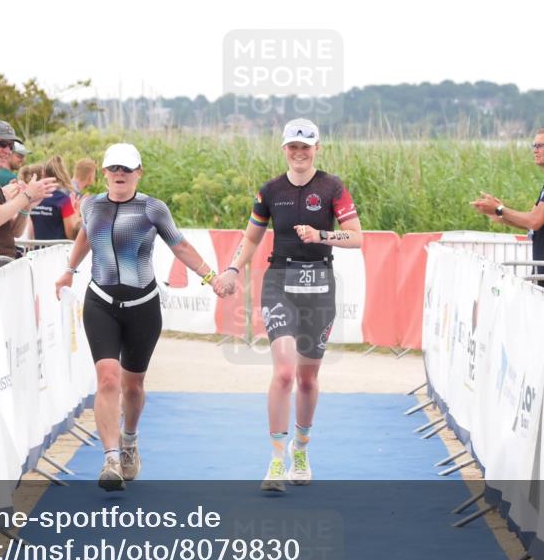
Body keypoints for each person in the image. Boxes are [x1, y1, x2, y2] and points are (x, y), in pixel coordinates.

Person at [54, 142, 219, 491]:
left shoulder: (152, 209)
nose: (119, 175)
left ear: (138, 173)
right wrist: (69, 269)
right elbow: (86, 234)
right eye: (113, 169)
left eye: (126, 169)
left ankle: (129, 440)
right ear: (104, 173)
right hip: (101, 302)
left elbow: (181, 246)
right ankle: (111, 459)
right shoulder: (90, 205)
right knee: (108, 378)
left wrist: (212, 277)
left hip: (143, 306)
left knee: (133, 385)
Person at [215, 119, 363, 492]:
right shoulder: (270, 191)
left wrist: (322, 235)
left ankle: (301, 449)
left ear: (317, 149)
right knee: (283, 373)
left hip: (320, 285)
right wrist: (233, 268)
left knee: (308, 378)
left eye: (306, 147)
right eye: (293, 147)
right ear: (283, 149)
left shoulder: (332, 187)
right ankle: (277, 460)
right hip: (279, 282)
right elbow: (251, 239)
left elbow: (357, 237)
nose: (299, 153)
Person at [471, 128, 544, 296]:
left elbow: (534, 221)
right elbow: (534, 223)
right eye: (534, 146)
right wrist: (500, 215)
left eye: (540, 145)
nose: (535, 150)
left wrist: (500, 209)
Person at [0, 120, 57, 260]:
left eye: (11, 146)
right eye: (1, 143)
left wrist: (25, 208)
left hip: (6, 262)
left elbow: (15, 232)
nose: (7, 150)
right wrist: (26, 195)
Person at [30, 155, 80, 240]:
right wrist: (76, 213)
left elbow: (31, 235)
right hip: (58, 251)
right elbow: (71, 235)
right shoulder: (63, 199)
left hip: (37, 250)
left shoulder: (34, 197)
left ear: (43, 174)